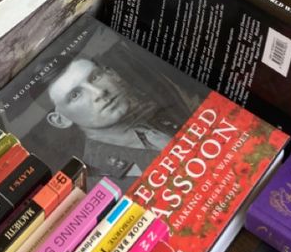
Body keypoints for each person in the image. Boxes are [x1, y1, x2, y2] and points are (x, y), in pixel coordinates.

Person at [44, 54, 201, 181]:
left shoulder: (167, 111)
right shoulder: (97, 176)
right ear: (60, 120)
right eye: (75, 95)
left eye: (95, 77)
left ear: (112, 73)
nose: (99, 92)